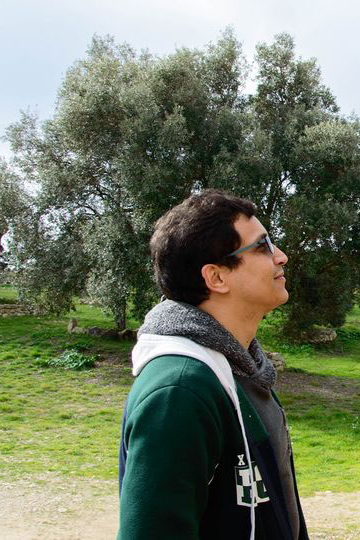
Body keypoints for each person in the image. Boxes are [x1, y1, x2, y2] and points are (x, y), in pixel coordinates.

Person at [117, 189, 308, 539]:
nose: (281, 257)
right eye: (262, 246)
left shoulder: (243, 370)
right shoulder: (179, 391)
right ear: (216, 277)